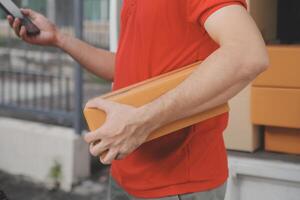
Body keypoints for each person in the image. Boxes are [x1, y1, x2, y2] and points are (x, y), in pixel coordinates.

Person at [8, 0, 268, 199]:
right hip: (125, 173)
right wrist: (59, 39)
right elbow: (125, 69)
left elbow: (246, 54)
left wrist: (141, 121)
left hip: (178, 184)